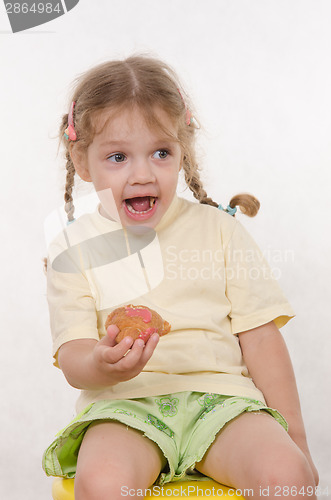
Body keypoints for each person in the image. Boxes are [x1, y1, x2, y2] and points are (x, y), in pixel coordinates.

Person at [42, 55, 318, 500]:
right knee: (102, 482)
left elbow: (261, 337)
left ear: (181, 150)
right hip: (123, 409)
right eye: (118, 156)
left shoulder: (221, 230)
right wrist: (99, 364)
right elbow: (72, 352)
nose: (143, 173)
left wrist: (298, 441)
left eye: (161, 152)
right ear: (83, 161)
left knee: (285, 477)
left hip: (223, 403)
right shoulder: (71, 251)